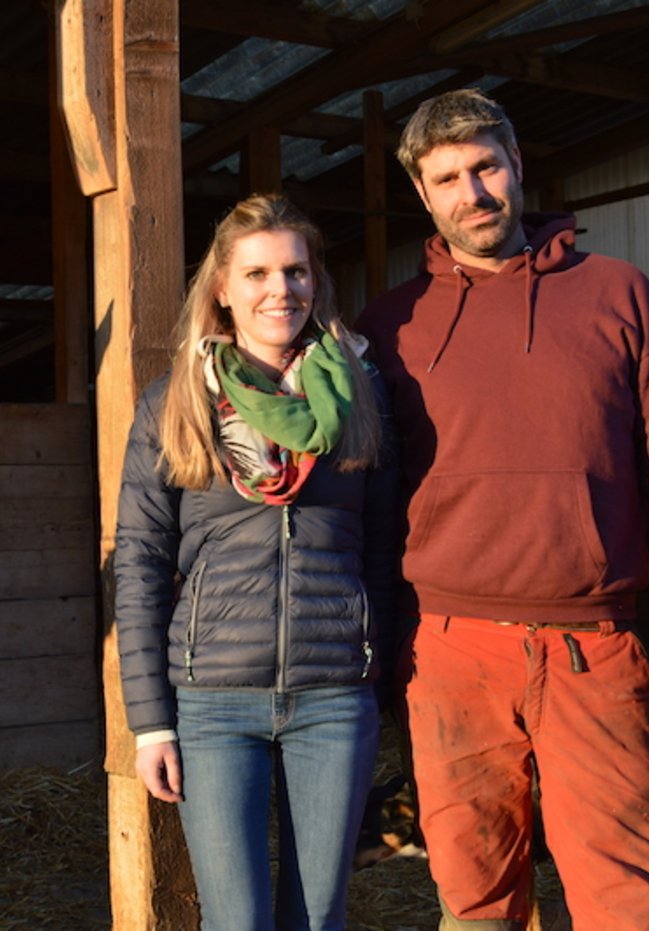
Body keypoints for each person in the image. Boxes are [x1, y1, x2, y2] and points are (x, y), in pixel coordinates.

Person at [355, 89, 649, 931]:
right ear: (423, 194)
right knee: (477, 897)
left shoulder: (618, 294)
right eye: (448, 177)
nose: (474, 192)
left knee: (625, 898)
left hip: (593, 648)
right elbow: (366, 505)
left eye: (486, 166)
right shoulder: (390, 327)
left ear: (517, 164)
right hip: (448, 650)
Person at [114, 193, 399, 931]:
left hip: (334, 697)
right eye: (259, 273)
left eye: (296, 271)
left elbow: (385, 548)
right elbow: (140, 563)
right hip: (212, 703)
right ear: (222, 288)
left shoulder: (360, 397)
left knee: (318, 915)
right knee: (237, 920)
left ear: (317, 281)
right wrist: (150, 723)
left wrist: (377, 672)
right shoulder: (174, 404)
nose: (281, 290)